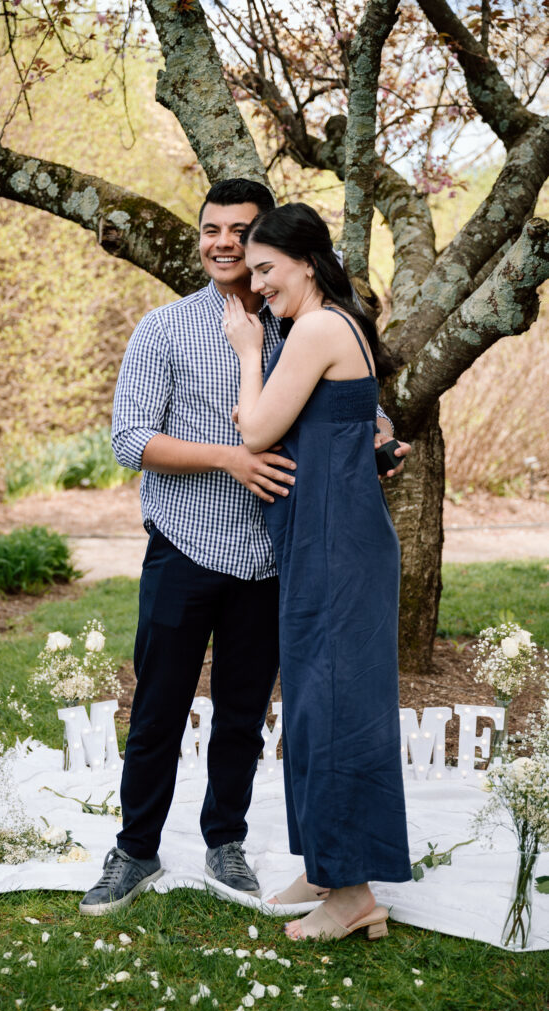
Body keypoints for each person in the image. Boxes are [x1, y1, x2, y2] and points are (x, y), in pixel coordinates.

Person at [79, 179, 407, 917]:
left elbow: (352, 407)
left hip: (275, 558)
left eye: (242, 232)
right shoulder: (163, 329)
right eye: (211, 229)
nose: (224, 244)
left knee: (242, 713)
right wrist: (229, 458)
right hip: (186, 548)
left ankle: (225, 840)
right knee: (159, 707)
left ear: (274, 245)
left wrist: (380, 441)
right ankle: (134, 850)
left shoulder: (299, 320)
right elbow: (130, 439)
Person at [223, 202, 412, 942]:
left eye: (265, 269)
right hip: (323, 539)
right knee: (310, 703)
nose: (258, 284)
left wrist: (245, 352)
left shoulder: (321, 327)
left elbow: (261, 426)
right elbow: (355, 425)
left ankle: (356, 893)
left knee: (333, 709)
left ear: (305, 261)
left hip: (338, 546)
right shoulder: (328, 325)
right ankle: (326, 865)